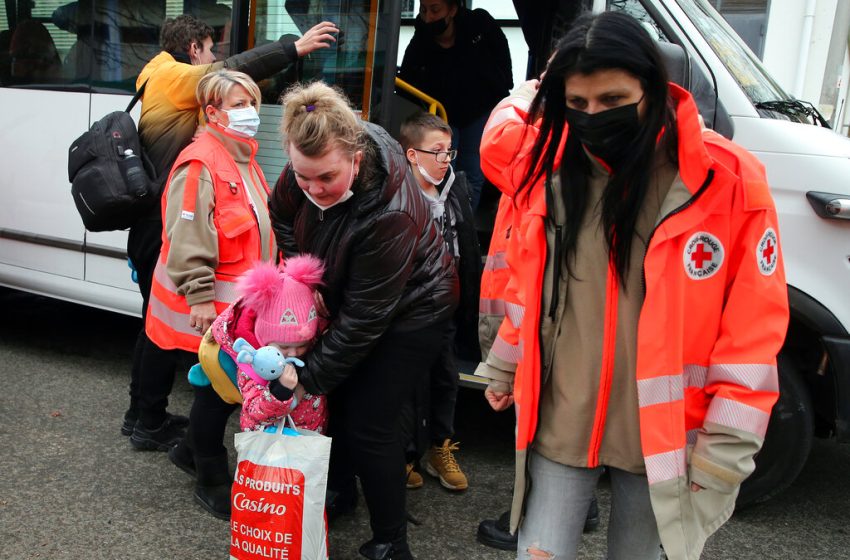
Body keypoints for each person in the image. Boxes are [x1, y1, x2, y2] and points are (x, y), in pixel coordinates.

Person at [476, 11, 789, 560]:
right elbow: (531, 290)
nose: (593, 117)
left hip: (663, 440)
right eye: (577, 105)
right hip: (561, 418)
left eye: (613, 100)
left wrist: (725, 453)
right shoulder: (550, 172)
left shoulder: (726, 181)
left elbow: (752, 337)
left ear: (653, 86)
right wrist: (504, 363)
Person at [124, 14, 339, 451]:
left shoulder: (244, 158)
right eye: (239, 106)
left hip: (225, 300)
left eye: (252, 105)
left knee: (206, 380)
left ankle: (164, 432)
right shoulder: (178, 96)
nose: (249, 114)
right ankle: (161, 432)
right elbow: (190, 236)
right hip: (193, 279)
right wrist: (291, 49)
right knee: (188, 367)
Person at [268, 82, 458, 560]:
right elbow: (282, 214)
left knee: (369, 422)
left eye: (325, 178)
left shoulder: (388, 212)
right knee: (341, 403)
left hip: (414, 309)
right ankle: (340, 493)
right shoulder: (313, 157)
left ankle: (392, 541)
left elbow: (364, 321)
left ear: (355, 159)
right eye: (302, 176)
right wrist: (304, 278)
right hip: (356, 299)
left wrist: (304, 380)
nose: (313, 189)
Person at [397, 112, 479, 492]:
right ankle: (405, 454)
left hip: (447, 304)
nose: (446, 159)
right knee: (408, 383)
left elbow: (466, 244)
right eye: (437, 151)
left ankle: (439, 447)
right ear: (413, 155)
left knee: (445, 378)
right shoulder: (397, 194)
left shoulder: (454, 190)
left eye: (449, 151)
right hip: (410, 308)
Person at [399, 0, 512, 210]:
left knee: (471, 174)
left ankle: (462, 231)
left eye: (435, 10)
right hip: (442, 116)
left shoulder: (479, 25)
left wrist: (505, 84)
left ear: (452, 9)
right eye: (423, 10)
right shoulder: (420, 40)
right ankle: (440, 226)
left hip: (478, 111)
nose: (428, 17)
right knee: (438, 171)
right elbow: (406, 81)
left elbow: (501, 51)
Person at [205, 256, 329, 435]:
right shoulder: (253, 362)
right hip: (270, 447)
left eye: (302, 345)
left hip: (310, 437)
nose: (293, 352)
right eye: (284, 347)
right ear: (264, 338)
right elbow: (255, 412)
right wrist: (281, 391)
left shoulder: (314, 343)